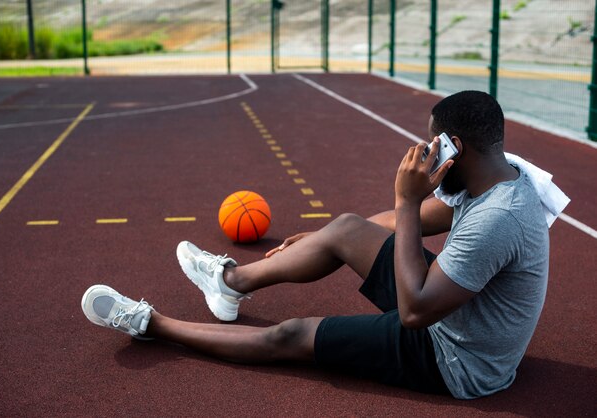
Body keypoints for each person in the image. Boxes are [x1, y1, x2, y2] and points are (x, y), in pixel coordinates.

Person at [81, 91, 550, 399]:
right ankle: (229, 283)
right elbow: (415, 222)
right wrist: (330, 239)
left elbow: (414, 312)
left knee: (292, 334)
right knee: (347, 228)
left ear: (455, 147)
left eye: (434, 141)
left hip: (458, 356)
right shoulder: (496, 175)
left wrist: (406, 201)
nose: (427, 149)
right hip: (455, 312)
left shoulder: (498, 218)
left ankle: (150, 324)